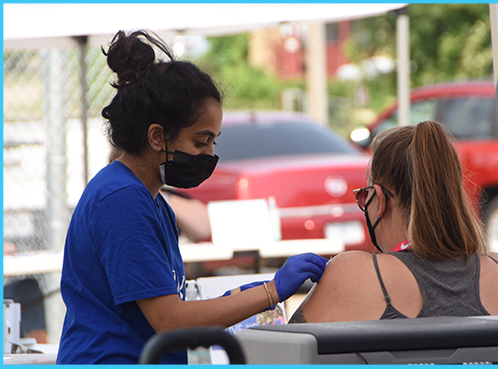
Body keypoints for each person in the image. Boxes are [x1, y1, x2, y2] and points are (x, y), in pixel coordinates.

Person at [56, 30, 328, 364]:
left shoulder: (153, 201)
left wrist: (244, 296)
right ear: (158, 136)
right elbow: (170, 320)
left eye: (213, 141)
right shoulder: (121, 200)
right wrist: (271, 291)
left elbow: (171, 307)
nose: (210, 154)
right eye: (201, 142)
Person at [289, 121, 498, 323]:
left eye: (365, 196)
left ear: (380, 200)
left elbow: (282, 354)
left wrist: (270, 294)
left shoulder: (352, 273)